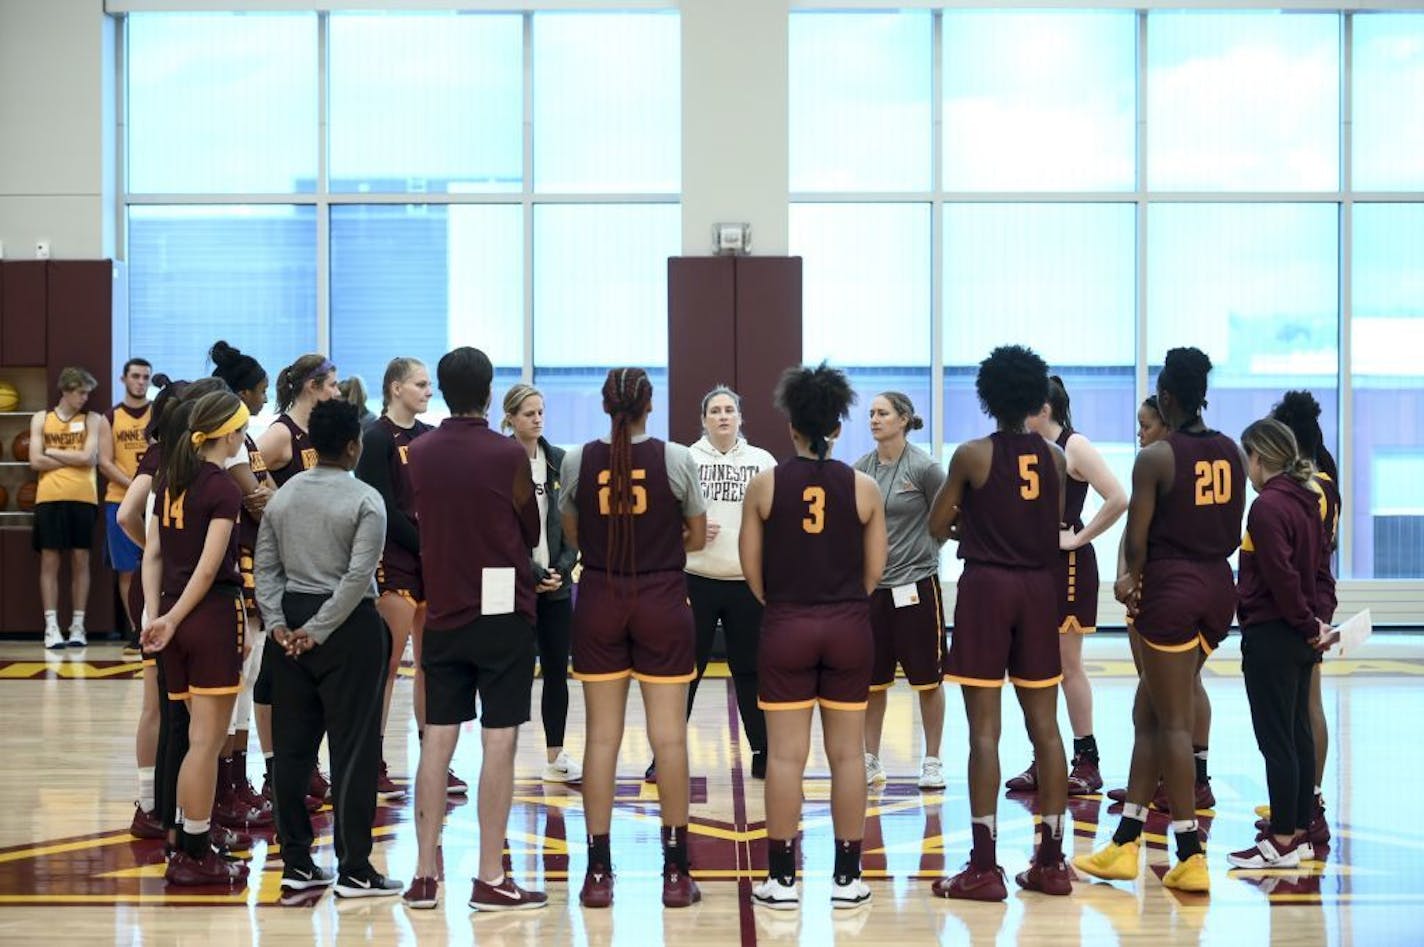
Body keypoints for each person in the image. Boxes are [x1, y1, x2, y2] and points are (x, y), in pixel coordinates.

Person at [1075, 347, 1244, 894]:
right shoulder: (1233, 451)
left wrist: (1126, 583)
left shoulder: (1156, 458)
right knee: (1149, 710)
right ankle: (1126, 842)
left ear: (1167, 397)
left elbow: (1139, 540)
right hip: (1219, 586)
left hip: (1172, 587)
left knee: (1170, 720)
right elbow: (1227, 523)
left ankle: (1190, 852)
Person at [402, 347, 547, 912]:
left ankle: (422, 875)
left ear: (440, 391)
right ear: (489, 395)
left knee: (437, 742)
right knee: (499, 742)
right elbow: (529, 524)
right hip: (503, 613)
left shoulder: (419, 450)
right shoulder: (508, 453)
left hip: (442, 612)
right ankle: (489, 875)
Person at [927, 345, 1071, 902]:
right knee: (1048, 730)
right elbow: (1048, 521)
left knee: (984, 733)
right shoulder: (1055, 458)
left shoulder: (971, 454)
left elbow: (939, 523)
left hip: (988, 588)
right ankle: (1053, 862)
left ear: (988, 396)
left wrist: (975, 525)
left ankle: (984, 867)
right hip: (1039, 588)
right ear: (1037, 397)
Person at [560, 367, 708, 910]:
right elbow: (694, 533)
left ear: (606, 406)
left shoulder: (576, 460)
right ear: (650, 405)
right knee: (668, 739)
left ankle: (598, 873)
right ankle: (675, 871)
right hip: (663, 598)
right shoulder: (676, 458)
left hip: (599, 595)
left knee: (601, 740)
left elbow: (572, 531)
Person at [742, 364, 886, 911]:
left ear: (791, 426)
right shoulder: (864, 486)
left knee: (784, 758)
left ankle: (781, 880)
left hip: (786, 624)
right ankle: (848, 878)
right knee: (849, 758)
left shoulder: (766, 483)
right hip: (849, 624)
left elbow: (752, 574)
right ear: (837, 424)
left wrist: (787, 603)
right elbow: (876, 572)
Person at [256, 399, 399, 896]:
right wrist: (318, 628)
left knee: (292, 752)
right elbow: (359, 576)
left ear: (313, 444)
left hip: (288, 625)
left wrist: (278, 624)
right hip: (348, 628)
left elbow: (266, 568)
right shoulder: (366, 499)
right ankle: (355, 869)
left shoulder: (282, 496)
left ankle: (295, 865)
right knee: (353, 750)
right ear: (355, 445)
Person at [140, 390, 252, 885]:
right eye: (243, 429)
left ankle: (184, 840)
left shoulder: (168, 479)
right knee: (206, 743)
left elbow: (154, 555)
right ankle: (194, 853)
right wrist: (176, 616)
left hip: (171, 614)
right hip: (206, 616)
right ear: (228, 432)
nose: (245, 436)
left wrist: (158, 615)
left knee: (189, 738)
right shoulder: (223, 487)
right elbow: (208, 571)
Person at [1008, 376, 1126, 795]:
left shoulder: (1074, 445)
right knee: (1035, 666)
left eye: (1026, 408)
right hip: (1033, 563)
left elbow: (1117, 497)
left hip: (1069, 565)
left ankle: (1087, 761)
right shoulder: (1026, 447)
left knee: (1067, 665)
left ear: (1044, 409)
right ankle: (1045, 757)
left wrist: (1077, 537)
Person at [1227, 418, 1335, 869]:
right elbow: (1321, 571)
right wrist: (1319, 622)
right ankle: (1299, 834)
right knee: (1297, 735)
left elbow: (1281, 576)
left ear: (1260, 457)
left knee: (1278, 742)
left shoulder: (1267, 507)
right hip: (1301, 633)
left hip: (1274, 632)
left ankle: (1284, 839)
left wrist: (1303, 620)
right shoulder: (1309, 500)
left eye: (1246, 457)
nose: (1246, 469)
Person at [1106, 393, 1217, 810]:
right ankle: (1158, 779)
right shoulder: (1151, 467)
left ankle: (1195, 779)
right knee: (1156, 689)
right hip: (1149, 587)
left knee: (1182, 686)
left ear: (1167, 426)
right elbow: (1130, 534)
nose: (1139, 433)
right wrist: (1125, 576)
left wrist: (1136, 579)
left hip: (1170, 592)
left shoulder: (1168, 467)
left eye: (1146, 425)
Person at [678, 385, 776, 782]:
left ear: (739, 418)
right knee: (686, 670)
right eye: (715, 410)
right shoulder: (685, 458)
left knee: (750, 670)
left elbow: (775, 515)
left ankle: (762, 751)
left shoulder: (762, 460)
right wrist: (688, 529)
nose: (722, 416)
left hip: (745, 580)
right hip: (695, 578)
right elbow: (666, 516)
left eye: (729, 410)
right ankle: (665, 754)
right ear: (703, 419)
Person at [1255, 390, 1340, 844]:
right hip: (1312, 611)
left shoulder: (1307, 490)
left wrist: (1313, 621)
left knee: (1303, 713)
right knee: (1303, 711)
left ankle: (1308, 805)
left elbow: (1312, 561)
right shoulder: (1320, 482)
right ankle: (1299, 806)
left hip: (1299, 616)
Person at [255, 353, 340, 803]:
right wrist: (269, 502)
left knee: (311, 675)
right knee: (275, 676)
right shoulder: (280, 433)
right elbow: (244, 469)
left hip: (315, 565)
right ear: (311, 386)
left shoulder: (315, 434)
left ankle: (305, 763)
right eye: (332, 385)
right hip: (285, 573)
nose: (337, 393)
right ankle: (275, 770)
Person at [854, 393, 947, 790]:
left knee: (928, 680)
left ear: (903, 419)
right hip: (875, 589)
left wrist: (924, 553)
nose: (874, 419)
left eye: (882, 413)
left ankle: (932, 760)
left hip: (917, 586)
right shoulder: (860, 469)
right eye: (872, 413)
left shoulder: (925, 468)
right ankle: (870, 759)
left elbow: (946, 517)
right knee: (873, 682)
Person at [208, 341, 277, 828]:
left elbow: (268, 491)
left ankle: (236, 780)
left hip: (254, 559)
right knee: (236, 677)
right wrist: (267, 496)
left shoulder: (247, 441)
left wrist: (268, 496)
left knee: (248, 675)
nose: (263, 401)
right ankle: (223, 787)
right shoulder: (225, 445)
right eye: (259, 392)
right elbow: (258, 499)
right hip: (237, 562)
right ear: (241, 393)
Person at [502, 383, 583, 784]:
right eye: (529, 413)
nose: (537, 419)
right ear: (511, 418)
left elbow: (572, 528)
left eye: (541, 412)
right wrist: (531, 573)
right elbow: (498, 531)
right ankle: (504, 754)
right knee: (511, 673)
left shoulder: (560, 461)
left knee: (556, 671)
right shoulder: (499, 461)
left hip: (556, 585)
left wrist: (561, 570)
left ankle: (556, 755)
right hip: (515, 587)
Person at [30, 367, 102, 650]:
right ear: (66, 390)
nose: (85, 398)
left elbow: (89, 457)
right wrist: (74, 459)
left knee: (80, 561)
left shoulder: (92, 419)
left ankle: (77, 626)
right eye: (81, 392)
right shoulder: (41, 419)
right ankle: (51, 627)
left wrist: (52, 453)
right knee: (49, 561)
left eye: (87, 393)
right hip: (48, 497)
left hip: (83, 497)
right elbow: (35, 461)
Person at [98, 358, 153, 655]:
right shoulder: (111, 417)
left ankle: (153, 621)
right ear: (123, 379)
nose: (141, 382)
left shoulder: (158, 413)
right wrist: (134, 485)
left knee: (157, 561)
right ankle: (136, 629)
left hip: (153, 499)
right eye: (136, 376)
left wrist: (146, 486)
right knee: (128, 570)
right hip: (120, 500)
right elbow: (104, 461)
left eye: (146, 377)